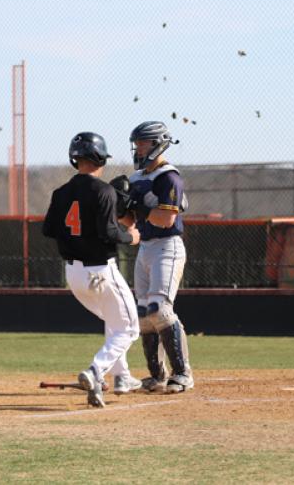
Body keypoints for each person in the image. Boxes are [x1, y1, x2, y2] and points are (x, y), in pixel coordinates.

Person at [42, 132, 142, 408]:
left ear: (75, 159)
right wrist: (131, 236)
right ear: (100, 158)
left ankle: (122, 377)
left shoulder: (60, 193)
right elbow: (110, 233)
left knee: (114, 322)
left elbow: (48, 229)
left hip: (73, 275)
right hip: (101, 270)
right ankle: (96, 371)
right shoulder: (104, 191)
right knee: (129, 329)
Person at [119, 121, 193, 393]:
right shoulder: (137, 178)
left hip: (167, 246)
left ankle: (183, 373)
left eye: (144, 143)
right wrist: (119, 206)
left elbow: (165, 218)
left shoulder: (168, 177)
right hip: (146, 246)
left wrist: (138, 205)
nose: (139, 148)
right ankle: (157, 375)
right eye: (137, 143)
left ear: (158, 143)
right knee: (143, 314)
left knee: (160, 309)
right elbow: (129, 221)